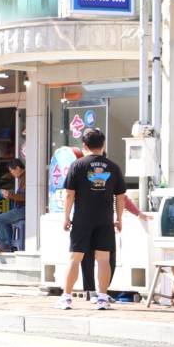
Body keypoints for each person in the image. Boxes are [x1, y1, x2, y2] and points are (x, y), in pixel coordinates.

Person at [56, 128, 126, 311]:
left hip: (82, 219)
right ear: (103, 145)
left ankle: (66, 298)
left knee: (75, 258)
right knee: (103, 259)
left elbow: (69, 195)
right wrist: (119, 218)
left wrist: (66, 217)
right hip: (105, 220)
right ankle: (102, 298)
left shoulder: (77, 166)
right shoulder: (113, 167)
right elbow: (120, 197)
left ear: (84, 146)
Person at [80, 195, 152, 302]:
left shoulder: (112, 183)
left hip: (106, 227)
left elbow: (123, 199)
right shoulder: (88, 184)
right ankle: (92, 293)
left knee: (110, 261)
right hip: (87, 225)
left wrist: (139, 213)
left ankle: (102, 292)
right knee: (87, 259)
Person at [0, 158, 26, 253]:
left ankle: (1, 245)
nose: (11, 173)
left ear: (17, 168)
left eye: (11, 171)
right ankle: (9, 245)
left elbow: (26, 197)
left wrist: (10, 195)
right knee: (4, 221)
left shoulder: (26, 178)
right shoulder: (22, 178)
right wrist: (10, 196)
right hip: (21, 208)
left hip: (23, 209)